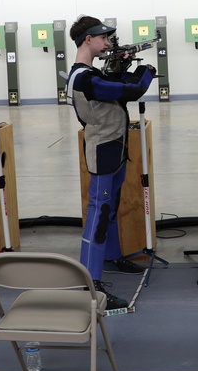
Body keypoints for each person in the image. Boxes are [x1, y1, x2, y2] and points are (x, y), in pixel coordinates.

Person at [66, 16, 154, 310]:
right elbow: (130, 90)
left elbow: (115, 83)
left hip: (114, 148)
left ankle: (110, 257)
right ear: (87, 40)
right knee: (99, 213)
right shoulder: (84, 77)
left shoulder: (90, 73)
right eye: (103, 38)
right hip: (103, 150)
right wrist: (146, 70)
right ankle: (90, 282)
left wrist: (123, 66)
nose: (107, 43)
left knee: (110, 206)